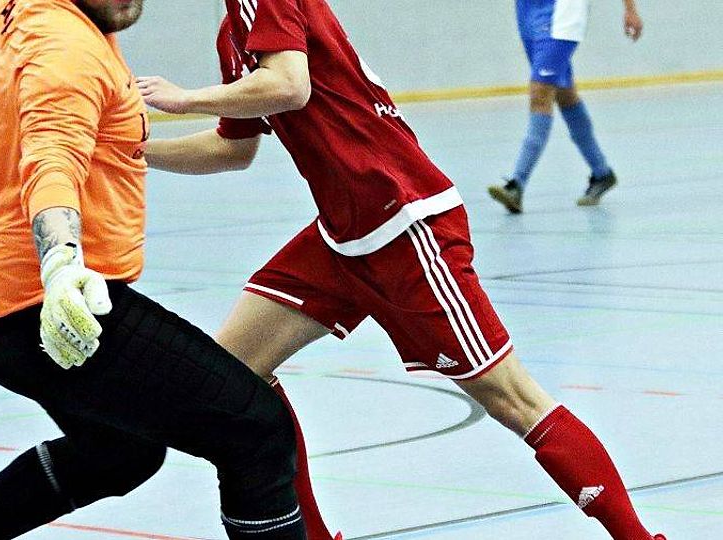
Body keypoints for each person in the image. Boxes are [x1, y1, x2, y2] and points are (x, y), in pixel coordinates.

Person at [136, 0, 663, 538]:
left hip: (405, 225)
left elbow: (289, 85)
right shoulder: (233, 30)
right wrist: (134, 151)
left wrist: (184, 99)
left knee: (515, 400)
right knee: (235, 371)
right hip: (342, 236)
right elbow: (234, 148)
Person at [0, 1, 308, 539]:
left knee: (118, 452)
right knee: (255, 431)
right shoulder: (68, 49)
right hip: (55, 314)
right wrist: (60, 265)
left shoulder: (21, 12)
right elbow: (51, 163)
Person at [488, 0, 644, 213]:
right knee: (565, 95)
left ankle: (517, 184)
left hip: (562, 17)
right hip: (528, 13)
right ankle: (602, 173)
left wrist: (630, 10)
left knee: (540, 94)